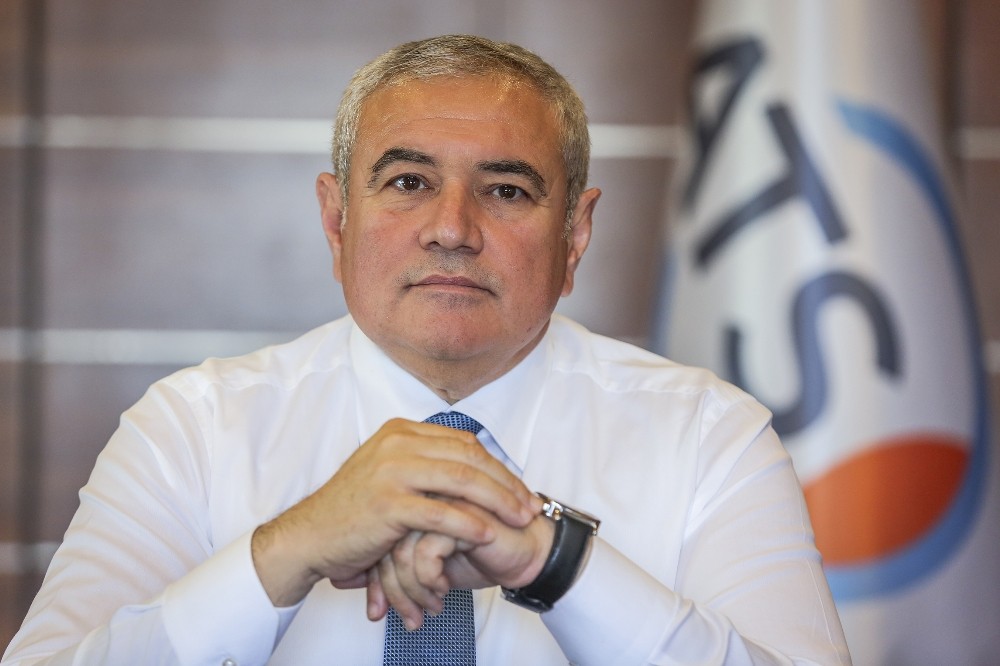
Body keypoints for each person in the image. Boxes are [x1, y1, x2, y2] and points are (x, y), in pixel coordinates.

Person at [3, 34, 851, 665]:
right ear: (336, 220)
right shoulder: (191, 429)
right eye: (408, 182)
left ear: (575, 234)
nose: (452, 229)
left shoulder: (709, 437)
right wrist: (285, 551)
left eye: (506, 190)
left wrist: (554, 563)